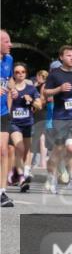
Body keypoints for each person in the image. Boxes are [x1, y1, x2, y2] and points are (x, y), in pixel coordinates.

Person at [43, 46, 72, 195]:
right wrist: (59, 89)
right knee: (59, 149)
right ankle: (52, 177)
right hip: (61, 116)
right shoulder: (54, 75)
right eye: (69, 55)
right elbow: (46, 92)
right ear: (61, 57)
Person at [8, 63, 42, 193]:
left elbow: (39, 105)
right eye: (17, 72)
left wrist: (31, 101)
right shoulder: (10, 89)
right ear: (14, 74)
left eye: (22, 72)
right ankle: (22, 179)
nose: (20, 74)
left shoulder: (31, 89)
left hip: (28, 123)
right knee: (20, 147)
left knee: (26, 151)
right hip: (13, 123)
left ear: (26, 73)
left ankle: (23, 172)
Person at [1, 30, 13, 207]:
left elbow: (7, 81)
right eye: (6, 41)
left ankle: (1, 192)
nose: (10, 44)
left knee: (2, 151)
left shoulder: (9, 60)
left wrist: (13, 89)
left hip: (2, 112)